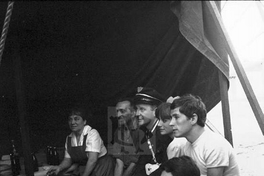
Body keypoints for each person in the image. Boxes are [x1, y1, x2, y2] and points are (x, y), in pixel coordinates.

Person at [169, 94, 240, 176]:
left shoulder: (214, 145)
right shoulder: (187, 145)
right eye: (171, 118)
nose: (171, 123)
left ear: (193, 119)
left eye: (176, 117)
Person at [46, 106, 115, 176]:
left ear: (84, 121)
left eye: (76, 119)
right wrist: (59, 168)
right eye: (70, 119)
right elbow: (68, 159)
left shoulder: (92, 133)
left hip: (101, 167)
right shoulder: (69, 138)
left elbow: (92, 160)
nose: (72, 122)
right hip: (86, 167)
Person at [132, 87, 172, 176]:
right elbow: (141, 164)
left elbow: (168, 167)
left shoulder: (164, 134)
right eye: (136, 109)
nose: (137, 114)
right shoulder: (145, 133)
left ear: (155, 111)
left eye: (142, 109)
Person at [112, 97, 140, 176]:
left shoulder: (142, 132)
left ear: (133, 113)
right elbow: (119, 162)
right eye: (117, 111)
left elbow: (134, 164)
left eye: (122, 111)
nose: (118, 115)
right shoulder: (118, 132)